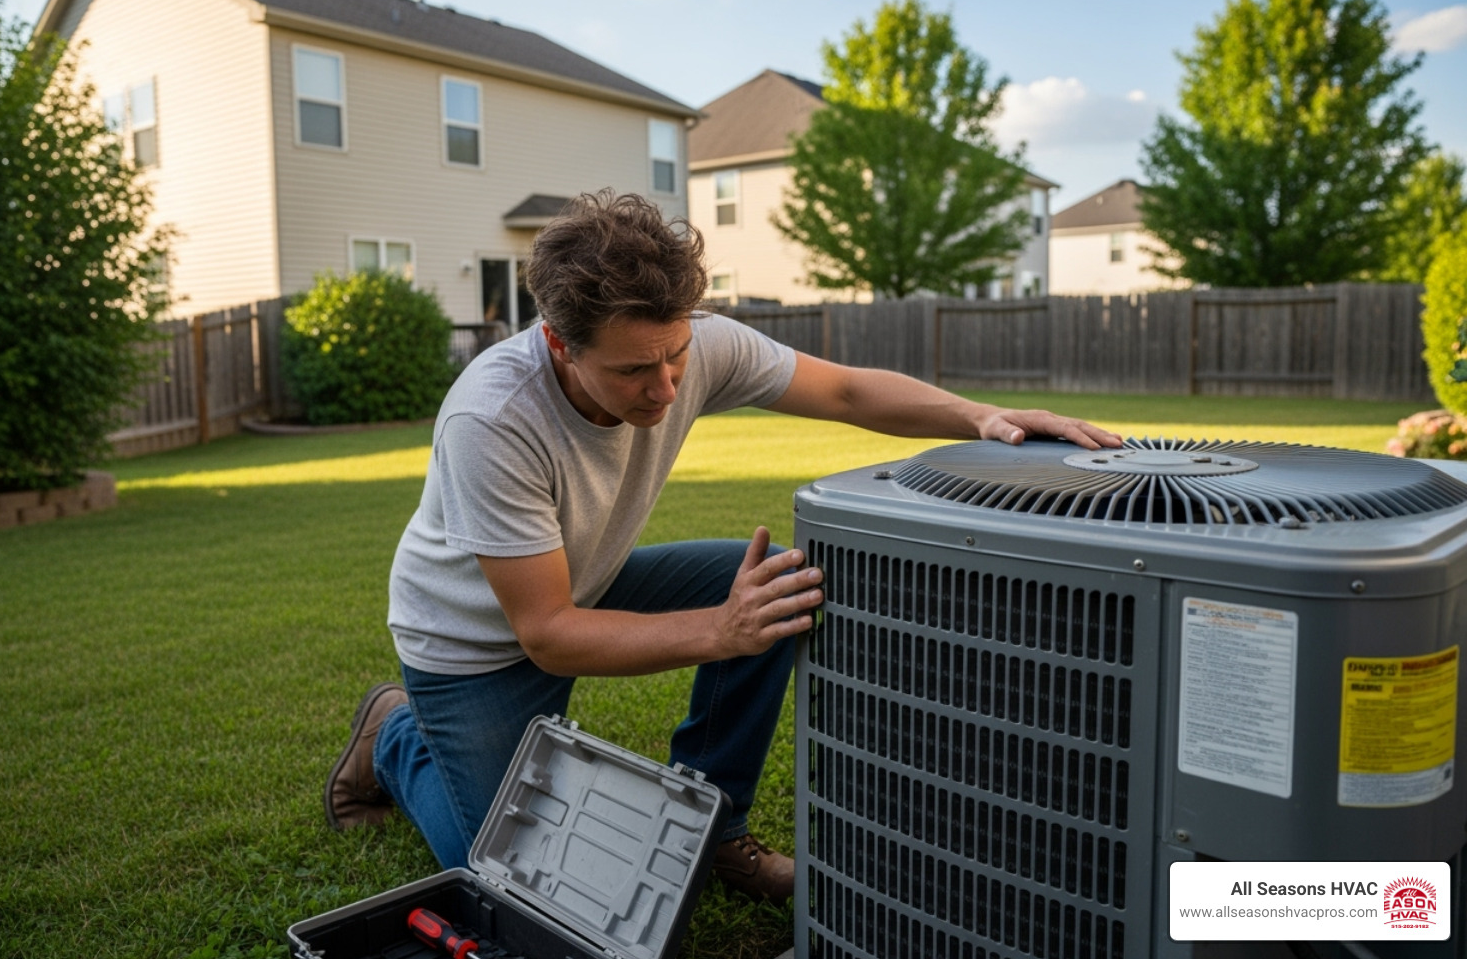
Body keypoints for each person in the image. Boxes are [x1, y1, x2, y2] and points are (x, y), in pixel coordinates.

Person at [323, 190, 1120, 904]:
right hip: (472, 644)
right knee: (511, 883)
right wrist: (719, 629)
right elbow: (550, 636)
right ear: (561, 345)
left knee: (778, 586)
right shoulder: (492, 419)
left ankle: (715, 829)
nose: (667, 389)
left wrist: (980, 416)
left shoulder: (697, 344)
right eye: (637, 369)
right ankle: (393, 735)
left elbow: (843, 389)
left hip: (584, 585)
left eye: (675, 356)